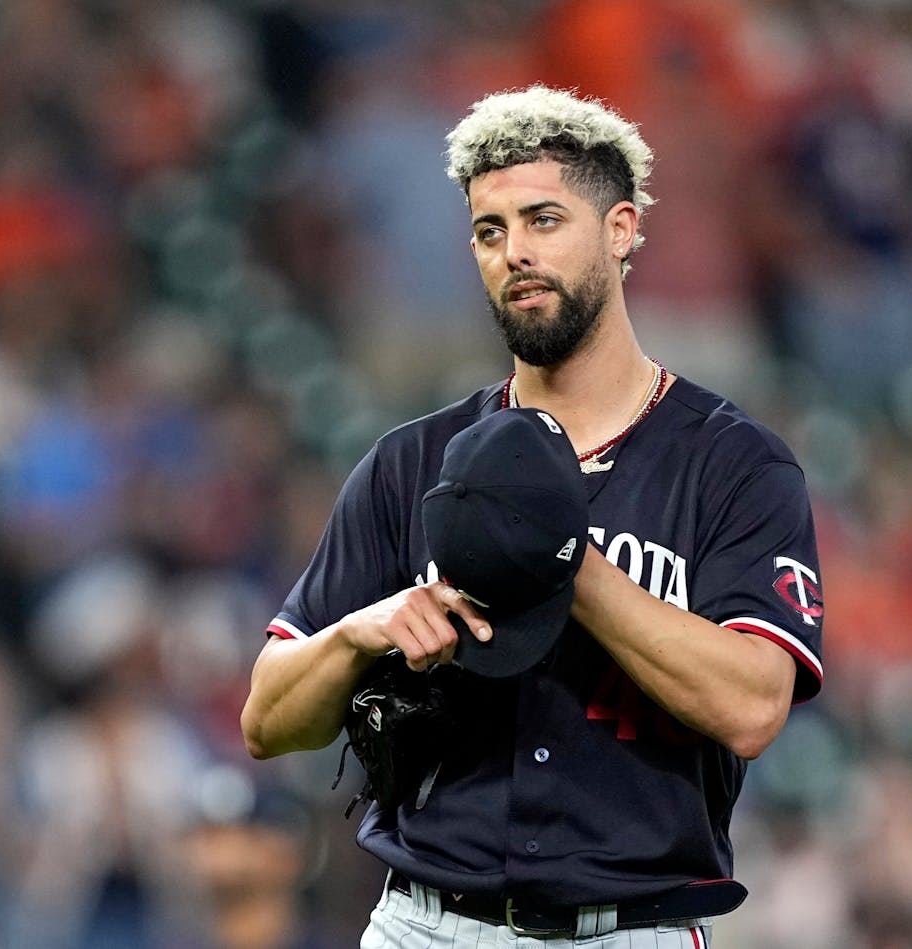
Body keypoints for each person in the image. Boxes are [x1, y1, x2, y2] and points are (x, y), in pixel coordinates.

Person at [240, 85, 825, 947]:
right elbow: (264, 718)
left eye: (545, 219)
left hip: (631, 928)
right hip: (424, 921)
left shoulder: (731, 464)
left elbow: (753, 707)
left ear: (621, 230)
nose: (515, 251)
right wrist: (360, 631)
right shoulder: (412, 465)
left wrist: (565, 562)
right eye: (490, 230)